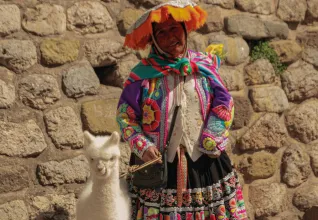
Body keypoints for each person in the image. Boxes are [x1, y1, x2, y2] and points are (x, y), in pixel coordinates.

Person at [116, 1, 247, 219]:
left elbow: (224, 102)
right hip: (159, 167)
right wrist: (142, 146)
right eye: (162, 33)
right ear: (153, 40)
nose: (170, 37)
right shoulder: (142, 76)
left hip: (206, 161)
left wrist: (213, 136)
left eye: (174, 28)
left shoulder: (203, 67)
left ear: (185, 29)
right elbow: (125, 116)